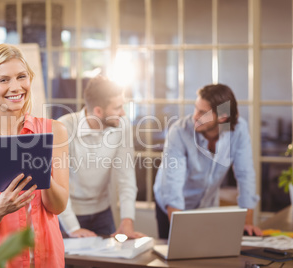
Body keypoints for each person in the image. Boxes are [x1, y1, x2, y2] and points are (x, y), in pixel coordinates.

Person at [0, 44, 69, 268]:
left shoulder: (53, 131)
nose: (16, 86)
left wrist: (41, 172)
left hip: (46, 257)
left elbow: (58, 207)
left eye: (21, 77)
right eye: (3, 80)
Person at [153, 83, 262, 239]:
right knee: (177, 256)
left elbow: (245, 174)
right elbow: (172, 186)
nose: (195, 116)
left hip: (207, 205)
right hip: (172, 206)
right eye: (196, 108)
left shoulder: (238, 130)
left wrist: (248, 223)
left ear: (222, 117)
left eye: (202, 112)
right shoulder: (179, 132)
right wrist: (180, 235)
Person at [57, 75, 145, 239]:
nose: (123, 112)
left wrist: (127, 219)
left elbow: (126, 175)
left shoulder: (122, 124)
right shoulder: (63, 127)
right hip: (68, 214)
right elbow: (54, 183)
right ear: (98, 111)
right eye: (117, 108)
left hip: (103, 212)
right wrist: (72, 228)